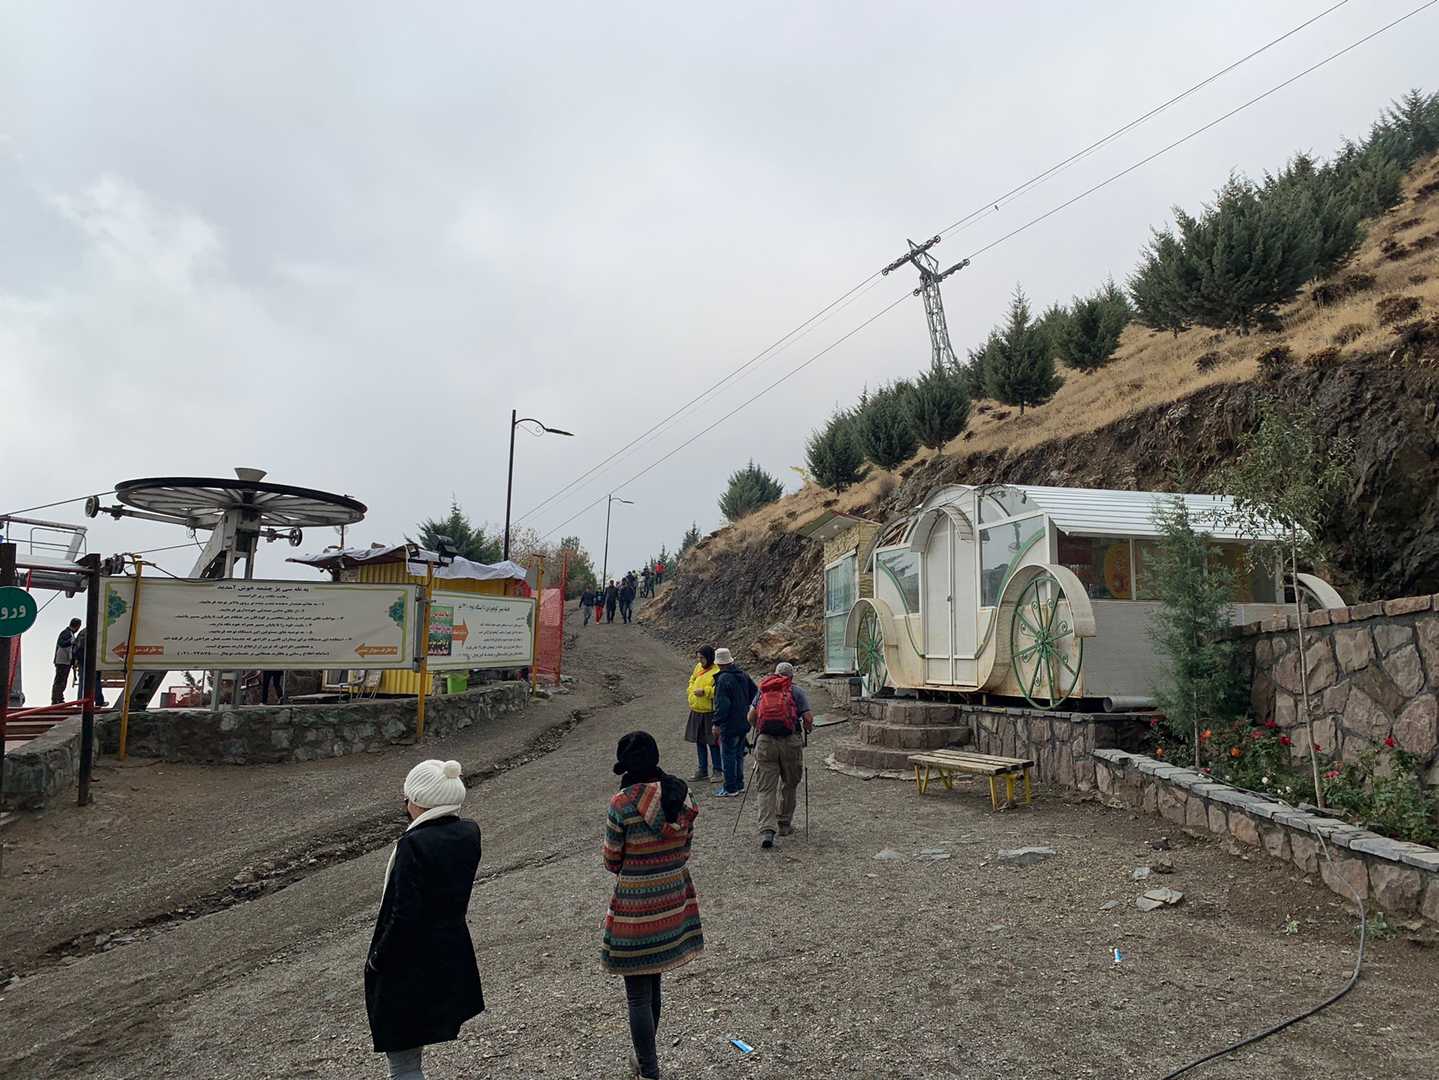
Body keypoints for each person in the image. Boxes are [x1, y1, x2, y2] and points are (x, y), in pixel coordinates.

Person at [366, 759, 485, 1080]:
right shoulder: (468, 832)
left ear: (417, 801)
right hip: (448, 953)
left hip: (407, 963)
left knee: (403, 1064)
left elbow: (403, 914)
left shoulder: (413, 844)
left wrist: (377, 959)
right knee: (410, 1053)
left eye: (406, 797)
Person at [602, 732, 703, 1080]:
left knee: (637, 995)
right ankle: (645, 1060)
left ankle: (648, 1069)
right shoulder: (681, 795)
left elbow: (612, 859)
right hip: (672, 900)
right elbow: (686, 847)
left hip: (635, 906)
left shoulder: (621, 803)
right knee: (653, 980)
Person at [747, 662, 815, 849]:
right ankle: (784, 824)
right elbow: (808, 718)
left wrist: (760, 729)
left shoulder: (764, 690)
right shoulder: (797, 691)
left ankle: (767, 830)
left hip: (765, 742)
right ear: (791, 676)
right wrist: (807, 728)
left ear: (775, 674)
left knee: (766, 788)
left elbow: (751, 716)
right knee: (789, 783)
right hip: (790, 741)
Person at [710, 647, 756, 798]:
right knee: (738, 754)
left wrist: (716, 723)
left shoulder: (723, 679)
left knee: (728, 755)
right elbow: (755, 695)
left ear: (718, 663)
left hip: (729, 725)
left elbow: (722, 705)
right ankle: (739, 784)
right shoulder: (743, 675)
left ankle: (730, 787)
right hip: (744, 721)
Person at [683, 646, 722, 781]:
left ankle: (717, 770)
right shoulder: (698, 667)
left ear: (709, 657)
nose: (700, 660)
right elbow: (692, 680)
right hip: (697, 710)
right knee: (699, 741)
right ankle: (702, 770)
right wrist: (691, 691)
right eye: (698, 657)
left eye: (702, 657)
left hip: (709, 712)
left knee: (713, 742)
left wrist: (705, 692)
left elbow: (719, 689)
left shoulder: (717, 671)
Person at [70, 624, 106, 708]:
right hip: (92, 659)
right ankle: (99, 701)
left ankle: (80, 702)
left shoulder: (83, 632)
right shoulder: (96, 631)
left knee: (83, 681)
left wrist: (75, 660)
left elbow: (75, 647)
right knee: (95, 681)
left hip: (82, 659)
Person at [52, 618, 80, 705]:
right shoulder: (66, 633)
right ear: (77, 626)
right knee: (60, 681)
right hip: (62, 661)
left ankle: (59, 698)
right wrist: (71, 642)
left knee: (62, 681)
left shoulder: (70, 633)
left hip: (65, 661)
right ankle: (56, 699)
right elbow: (62, 643)